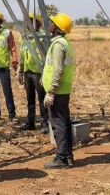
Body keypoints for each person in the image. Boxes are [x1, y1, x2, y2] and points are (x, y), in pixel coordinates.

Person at [42, 13, 75, 168]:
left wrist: (51, 91)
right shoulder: (64, 42)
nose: (49, 24)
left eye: (52, 22)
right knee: (65, 122)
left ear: (57, 27)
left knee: (58, 123)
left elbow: (57, 70)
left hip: (58, 91)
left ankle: (61, 158)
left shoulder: (58, 45)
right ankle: (67, 155)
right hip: (63, 90)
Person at [18, 12, 48, 131]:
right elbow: (22, 55)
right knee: (30, 99)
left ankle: (44, 122)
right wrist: (20, 71)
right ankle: (30, 122)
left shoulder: (43, 37)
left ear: (38, 24)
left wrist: (45, 73)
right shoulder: (24, 38)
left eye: (31, 21)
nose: (28, 23)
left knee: (42, 98)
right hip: (27, 72)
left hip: (39, 72)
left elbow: (47, 55)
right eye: (27, 21)